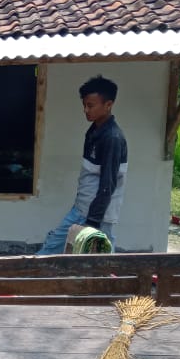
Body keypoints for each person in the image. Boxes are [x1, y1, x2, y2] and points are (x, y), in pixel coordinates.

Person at [37, 75, 127, 254]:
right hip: (80, 209)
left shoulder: (112, 138)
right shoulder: (94, 130)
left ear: (108, 105)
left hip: (98, 216)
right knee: (51, 250)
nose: (86, 110)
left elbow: (107, 184)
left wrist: (92, 223)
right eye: (84, 105)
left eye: (91, 106)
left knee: (99, 262)